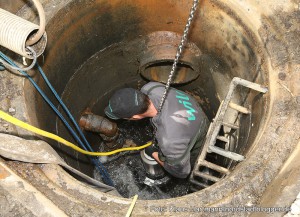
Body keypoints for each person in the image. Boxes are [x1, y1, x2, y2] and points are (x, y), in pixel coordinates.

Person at [104, 82, 209, 179]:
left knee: (190, 161)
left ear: (135, 117)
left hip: (201, 133)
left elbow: (182, 173)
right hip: (194, 113)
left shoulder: (169, 140)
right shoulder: (151, 87)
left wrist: (154, 154)